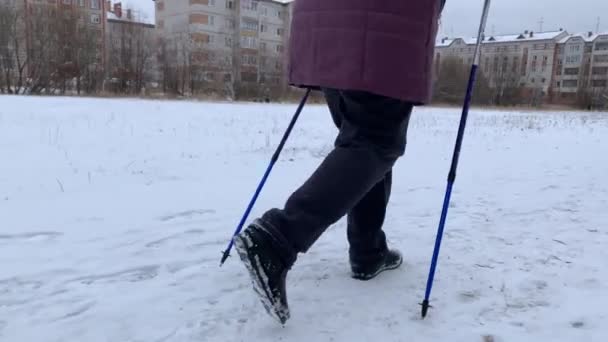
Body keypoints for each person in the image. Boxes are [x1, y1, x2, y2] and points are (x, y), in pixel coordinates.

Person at [234, 0, 446, 324]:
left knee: (362, 143)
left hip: (325, 26)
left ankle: (367, 251)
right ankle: (277, 238)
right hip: (383, 28)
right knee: (375, 143)